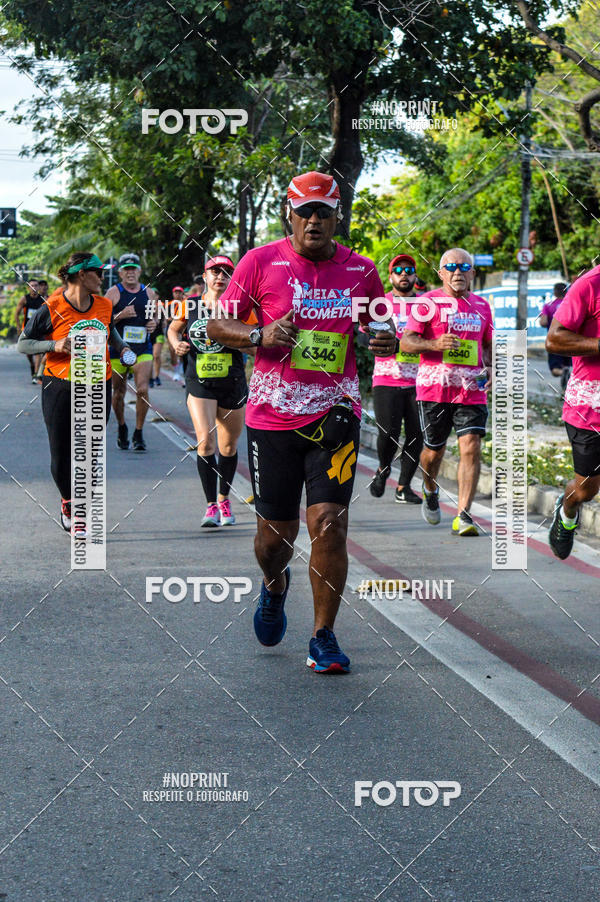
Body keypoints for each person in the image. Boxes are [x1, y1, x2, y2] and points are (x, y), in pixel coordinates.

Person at [207, 171, 396, 673]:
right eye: (306, 211)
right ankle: (274, 585)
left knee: (328, 525)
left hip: (336, 414)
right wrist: (258, 335)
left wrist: (387, 340)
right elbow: (217, 324)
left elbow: (383, 324)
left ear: (338, 217)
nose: (315, 220)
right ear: (289, 215)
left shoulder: (361, 271)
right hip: (272, 417)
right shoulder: (259, 262)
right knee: (276, 539)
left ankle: (323, 635)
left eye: (324, 212)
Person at [17, 253, 133, 533]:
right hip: (59, 386)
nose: (102, 277)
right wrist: (54, 346)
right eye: (98, 272)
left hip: (97, 385)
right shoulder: (53, 306)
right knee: (62, 452)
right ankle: (68, 502)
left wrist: (123, 348)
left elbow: (110, 333)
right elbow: (24, 344)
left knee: (90, 452)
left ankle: (81, 509)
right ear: (82, 274)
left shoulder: (104, 305)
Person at [401, 247, 493, 536]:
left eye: (464, 267)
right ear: (441, 273)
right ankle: (430, 488)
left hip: (472, 390)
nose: (458, 272)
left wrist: (491, 368)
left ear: (473, 274)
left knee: (471, 446)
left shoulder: (482, 306)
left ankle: (464, 514)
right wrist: (433, 345)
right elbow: (406, 343)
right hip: (434, 390)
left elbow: (488, 346)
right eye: (451, 267)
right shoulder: (426, 303)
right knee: (433, 452)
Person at [168, 256, 246, 527]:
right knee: (206, 442)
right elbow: (172, 329)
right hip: (199, 381)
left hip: (232, 381)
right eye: (215, 272)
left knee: (228, 445)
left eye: (226, 273)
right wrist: (176, 344)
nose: (220, 277)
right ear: (204, 276)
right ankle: (211, 505)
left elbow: (254, 339)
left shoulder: (238, 307)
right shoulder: (189, 305)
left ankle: (224, 498)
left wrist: (243, 341)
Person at [546, 265, 600, 559]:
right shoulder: (589, 285)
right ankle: (567, 512)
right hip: (590, 408)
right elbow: (554, 339)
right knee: (585, 489)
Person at [369, 253, 423, 503]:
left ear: (415, 276)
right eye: (398, 270)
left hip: (420, 382)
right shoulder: (380, 305)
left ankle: (404, 487)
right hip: (386, 378)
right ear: (390, 276)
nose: (404, 274)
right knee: (388, 432)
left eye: (409, 270)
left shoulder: (426, 305)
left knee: (416, 436)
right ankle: (383, 467)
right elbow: (363, 335)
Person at [106, 253, 158, 451]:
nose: (130, 273)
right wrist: (120, 315)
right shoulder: (113, 293)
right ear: (120, 272)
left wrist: (154, 324)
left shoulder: (149, 293)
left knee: (142, 389)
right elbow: (102, 322)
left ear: (139, 271)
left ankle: (138, 432)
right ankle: (121, 427)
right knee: (118, 393)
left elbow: (154, 318)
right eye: (126, 269)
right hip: (117, 350)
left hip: (141, 349)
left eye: (133, 269)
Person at [540, 282, 571, 385]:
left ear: (555, 292)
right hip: (571, 340)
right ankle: (567, 389)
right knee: (568, 364)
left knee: (555, 369)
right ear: (566, 291)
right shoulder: (570, 304)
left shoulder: (548, 306)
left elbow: (543, 322)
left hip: (555, 340)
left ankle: (562, 372)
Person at [15, 279, 43, 382]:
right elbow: (16, 314)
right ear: (28, 288)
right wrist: (18, 327)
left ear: (38, 287)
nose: (34, 287)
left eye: (36, 285)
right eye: (32, 286)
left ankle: (35, 375)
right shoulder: (24, 299)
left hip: (39, 330)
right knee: (29, 353)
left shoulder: (42, 299)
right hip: (27, 329)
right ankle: (32, 365)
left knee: (38, 352)